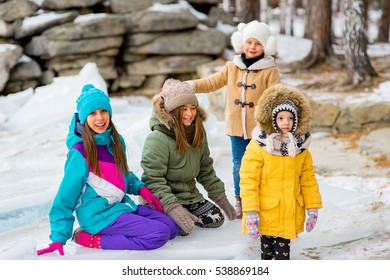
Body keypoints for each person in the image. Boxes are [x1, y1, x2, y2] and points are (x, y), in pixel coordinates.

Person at [37, 84, 179, 256]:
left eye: (103, 111)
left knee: (171, 228)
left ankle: (121, 228)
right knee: (159, 234)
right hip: (98, 215)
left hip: (120, 206)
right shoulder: (79, 153)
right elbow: (65, 197)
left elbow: (122, 173)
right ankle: (89, 238)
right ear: (83, 118)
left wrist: (139, 187)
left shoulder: (114, 141)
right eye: (92, 113)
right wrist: (59, 237)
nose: (100, 118)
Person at [186, 20, 281, 218]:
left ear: (265, 47)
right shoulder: (232, 67)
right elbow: (212, 82)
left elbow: (276, 97)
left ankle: (262, 200)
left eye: (258, 43)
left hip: (261, 130)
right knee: (239, 165)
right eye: (249, 42)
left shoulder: (270, 71)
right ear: (241, 43)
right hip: (236, 128)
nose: (252, 47)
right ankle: (242, 201)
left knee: (261, 166)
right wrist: (190, 85)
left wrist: (273, 123)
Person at [140, 79, 237, 236]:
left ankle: (183, 213)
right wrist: (173, 207)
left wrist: (219, 196)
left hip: (189, 197)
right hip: (163, 199)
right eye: (183, 109)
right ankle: (157, 214)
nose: (189, 114)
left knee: (215, 219)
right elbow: (152, 180)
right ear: (173, 110)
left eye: (193, 108)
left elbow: (205, 168)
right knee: (178, 228)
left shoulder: (197, 132)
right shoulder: (157, 139)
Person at [239, 83, 322, 260]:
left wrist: (312, 206)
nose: (286, 122)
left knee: (283, 258)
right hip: (266, 212)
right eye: (281, 118)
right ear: (272, 120)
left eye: (290, 118)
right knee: (267, 256)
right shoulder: (258, 147)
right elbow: (248, 181)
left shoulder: (300, 148)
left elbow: (308, 180)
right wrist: (251, 211)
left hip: (288, 211)